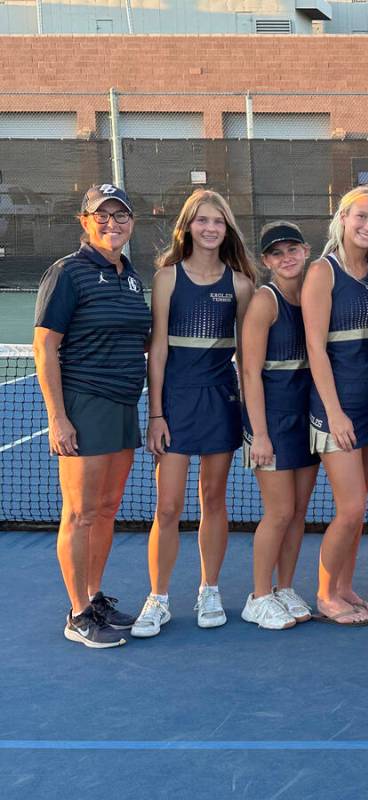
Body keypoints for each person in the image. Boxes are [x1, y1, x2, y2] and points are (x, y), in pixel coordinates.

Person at [34, 184, 152, 648]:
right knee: (81, 513)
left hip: (124, 405)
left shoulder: (131, 276)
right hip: (84, 404)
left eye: (120, 215)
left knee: (106, 509)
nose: (112, 223)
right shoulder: (67, 273)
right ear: (84, 222)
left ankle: (94, 594)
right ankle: (78, 613)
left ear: (132, 222)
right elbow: (45, 346)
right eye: (101, 216)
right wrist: (58, 418)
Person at [135, 189, 255, 636]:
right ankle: (159, 597)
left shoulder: (241, 286)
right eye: (202, 220)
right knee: (167, 507)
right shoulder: (167, 278)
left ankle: (209, 589)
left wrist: (252, 418)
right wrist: (156, 414)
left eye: (218, 222)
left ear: (227, 230)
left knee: (213, 500)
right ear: (187, 226)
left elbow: (247, 357)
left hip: (220, 402)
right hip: (176, 404)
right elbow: (158, 351)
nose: (210, 228)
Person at [303, 185, 368, 625]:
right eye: (362, 216)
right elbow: (316, 349)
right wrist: (334, 411)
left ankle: (343, 586)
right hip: (334, 409)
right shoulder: (322, 272)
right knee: (351, 507)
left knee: (359, 507)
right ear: (342, 217)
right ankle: (325, 595)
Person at [239, 222, 320, 630]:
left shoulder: (313, 296)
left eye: (293, 249)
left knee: (299, 511)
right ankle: (259, 596)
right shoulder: (264, 302)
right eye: (276, 253)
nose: (286, 258)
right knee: (279, 511)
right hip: (271, 420)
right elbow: (250, 374)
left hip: (307, 417)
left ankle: (284, 588)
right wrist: (261, 435)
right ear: (266, 261)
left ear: (306, 251)